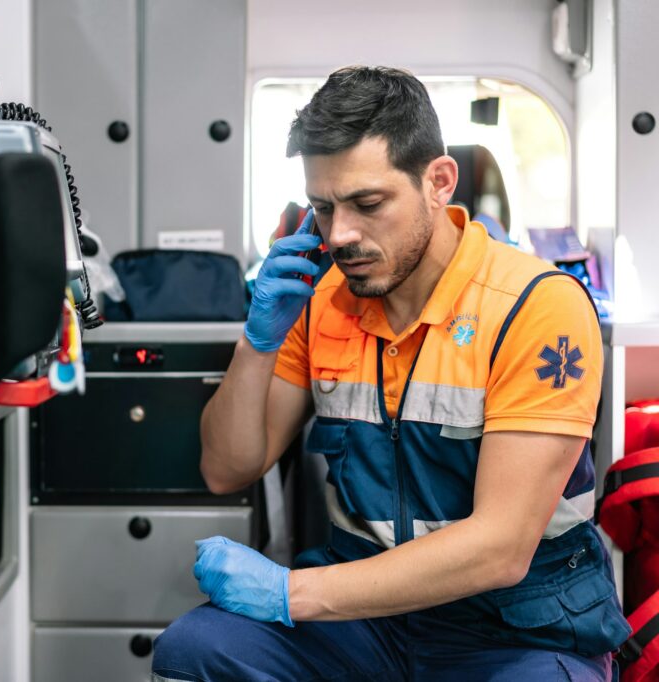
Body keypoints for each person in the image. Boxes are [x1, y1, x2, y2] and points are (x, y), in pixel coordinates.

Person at [151, 66, 630, 681]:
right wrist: (257, 339)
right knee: (194, 651)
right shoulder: (321, 299)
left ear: (439, 181)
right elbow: (227, 468)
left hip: (514, 629)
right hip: (364, 620)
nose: (341, 234)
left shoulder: (535, 306)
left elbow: (501, 550)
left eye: (367, 204)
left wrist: (288, 593)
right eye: (323, 208)